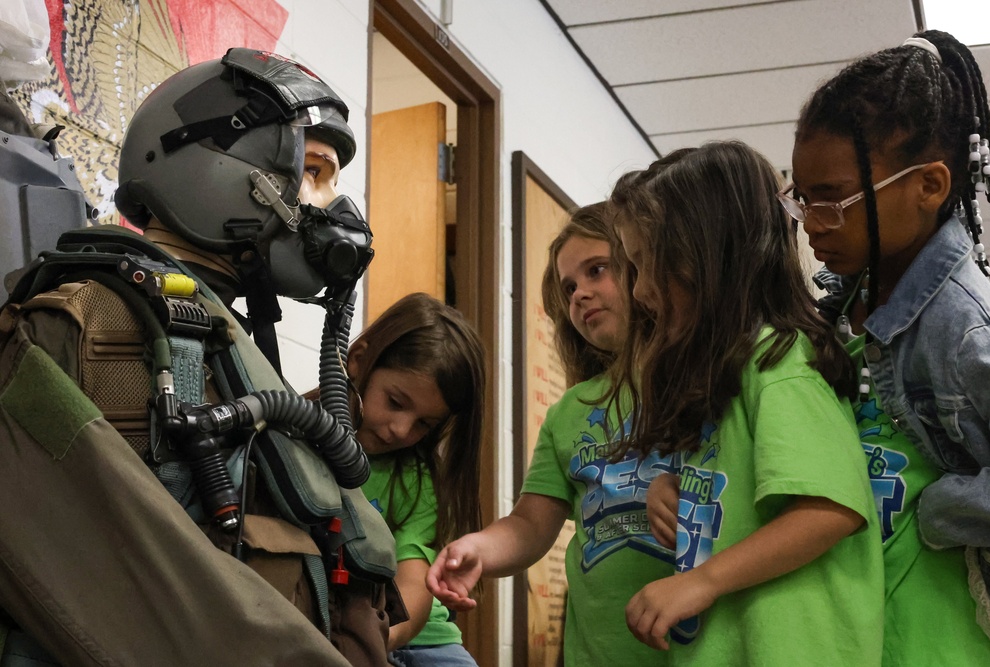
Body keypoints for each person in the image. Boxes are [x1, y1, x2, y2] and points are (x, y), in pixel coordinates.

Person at [0, 48, 398, 666]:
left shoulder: (224, 346)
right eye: (313, 172)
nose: (334, 209)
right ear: (224, 165)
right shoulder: (89, 324)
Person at [608, 141, 884, 663]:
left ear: (707, 256)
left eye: (647, 265)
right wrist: (678, 492)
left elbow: (830, 508)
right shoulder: (736, 373)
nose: (640, 290)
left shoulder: (779, 364)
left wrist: (705, 580)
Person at [785, 30, 990, 658]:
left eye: (831, 202)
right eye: (802, 200)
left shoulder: (966, 326)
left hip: (948, 633)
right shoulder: (849, 295)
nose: (813, 225)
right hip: (868, 622)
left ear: (929, 186)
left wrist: (936, 509)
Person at [426, 202, 677, 665]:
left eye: (597, 270)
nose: (580, 294)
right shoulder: (570, 411)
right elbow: (528, 526)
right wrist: (477, 548)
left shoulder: (696, 379)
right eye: (569, 286)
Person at [318, 292, 485, 666]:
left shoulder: (417, 480)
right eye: (395, 402)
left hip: (421, 641)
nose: (400, 430)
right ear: (359, 360)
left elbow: (415, 585)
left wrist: (376, 641)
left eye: (424, 423)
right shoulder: (294, 436)